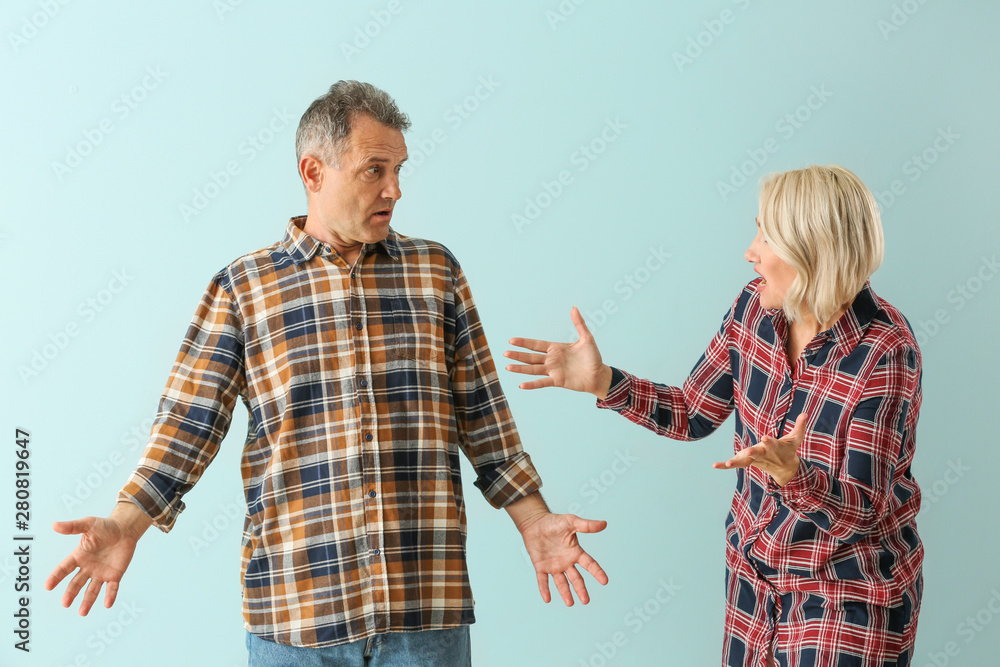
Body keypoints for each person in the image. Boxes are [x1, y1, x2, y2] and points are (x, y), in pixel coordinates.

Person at [45, 80, 608, 666]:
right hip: (296, 614)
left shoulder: (436, 273)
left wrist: (534, 521)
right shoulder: (243, 287)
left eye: (399, 170)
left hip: (424, 615)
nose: (394, 188)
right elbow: (189, 424)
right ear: (313, 173)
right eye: (374, 170)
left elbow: (482, 414)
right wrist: (126, 525)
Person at [505, 165, 923, 666]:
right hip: (752, 586)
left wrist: (794, 475)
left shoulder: (885, 350)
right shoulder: (754, 308)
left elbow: (863, 511)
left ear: (812, 251)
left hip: (845, 596)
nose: (751, 250)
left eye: (767, 235)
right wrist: (603, 381)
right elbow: (691, 413)